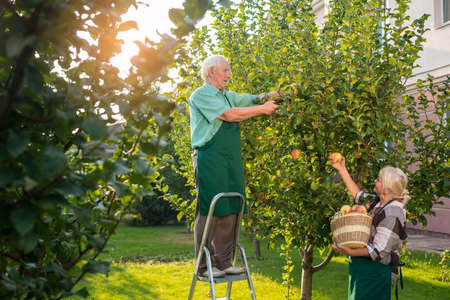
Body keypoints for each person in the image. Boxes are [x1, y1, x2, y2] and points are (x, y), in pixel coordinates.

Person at [189, 54, 279, 278]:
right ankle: (204, 267)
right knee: (210, 208)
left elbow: (248, 99)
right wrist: (262, 109)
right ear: (211, 72)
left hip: (229, 158)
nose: (229, 75)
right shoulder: (201, 95)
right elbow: (229, 115)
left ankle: (223, 262)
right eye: (226, 70)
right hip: (210, 156)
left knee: (231, 205)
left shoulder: (225, 96)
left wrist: (270, 96)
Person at [330, 155, 409, 300]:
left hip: (375, 274)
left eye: (378, 180)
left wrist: (349, 251)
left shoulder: (393, 213)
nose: (375, 181)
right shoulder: (379, 202)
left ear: (387, 189)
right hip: (363, 270)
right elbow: (357, 195)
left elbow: (379, 250)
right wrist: (342, 169)